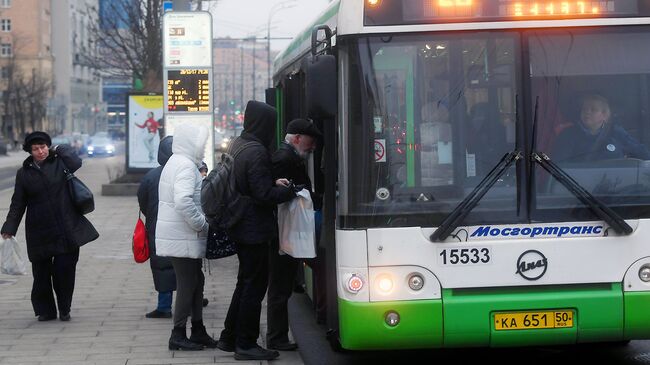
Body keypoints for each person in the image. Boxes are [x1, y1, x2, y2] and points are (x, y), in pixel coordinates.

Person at [216, 100, 295, 361]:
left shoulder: (240, 145)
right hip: (254, 229)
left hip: (239, 223)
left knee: (244, 283)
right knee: (254, 287)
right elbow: (263, 194)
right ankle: (246, 343)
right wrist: (287, 191)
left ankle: (229, 336)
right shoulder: (257, 151)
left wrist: (271, 182)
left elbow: (249, 183)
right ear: (264, 124)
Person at [1, 131, 99, 322]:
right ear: (30, 152)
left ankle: (64, 308)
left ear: (48, 146)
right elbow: (18, 203)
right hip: (39, 230)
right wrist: (9, 227)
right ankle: (45, 311)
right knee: (41, 275)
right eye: (36, 149)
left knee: (65, 271)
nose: (40, 151)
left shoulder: (61, 163)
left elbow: (76, 161)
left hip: (66, 227)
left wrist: (59, 148)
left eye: (43, 147)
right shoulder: (24, 174)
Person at [155, 123, 214, 351]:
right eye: (202, 142)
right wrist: (201, 224)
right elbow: (183, 201)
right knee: (188, 283)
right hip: (184, 235)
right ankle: (177, 334)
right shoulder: (186, 166)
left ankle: (197, 330)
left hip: (181, 234)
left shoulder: (176, 162)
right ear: (193, 143)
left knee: (196, 281)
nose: (204, 146)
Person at [267, 119, 322, 352]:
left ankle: (277, 335)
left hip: (286, 232)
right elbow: (280, 197)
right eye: (310, 141)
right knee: (279, 288)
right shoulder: (284, 159)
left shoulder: (289, 156)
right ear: (298, 138)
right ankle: (276, 337)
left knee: (283, 286)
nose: (313, 147)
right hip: (283, 233)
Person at [137, 136, 176, 319]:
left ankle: (164, 306)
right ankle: (194, 300)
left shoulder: (150, 177)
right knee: (187, 266)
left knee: (162, 265)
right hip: (181, 226)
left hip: (157, 226)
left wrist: (151, 216)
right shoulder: (186, 172)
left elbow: (142, 202)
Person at [553, 94, 650, 162]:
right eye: (585, 109)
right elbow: (560, 166)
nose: (587, 112)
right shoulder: (568, 135)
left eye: (593, 109)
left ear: (605, 115)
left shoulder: (616, 132)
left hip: (617, 186)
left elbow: (642, 153)